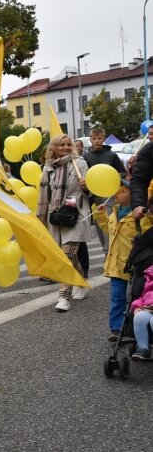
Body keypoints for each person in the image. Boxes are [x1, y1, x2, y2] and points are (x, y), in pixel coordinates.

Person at [36, 134, 90, 312]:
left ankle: (63, 297)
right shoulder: (48, 166)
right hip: (56, 216)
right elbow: (43, 195)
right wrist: (41, 219)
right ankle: (80, 282)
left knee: (67, 256)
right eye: (62, 145)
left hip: (76, 215)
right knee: (69, 256)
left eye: (69, 144)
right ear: (54, 148)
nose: (66, 147)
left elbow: (92, 191)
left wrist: (86, 186)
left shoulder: (79, 162)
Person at [101, 179, 153, 340]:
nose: (117, 193)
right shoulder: (114, 213)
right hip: (116, 265)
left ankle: (134, 327)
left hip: (136, 265)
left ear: (135, 195)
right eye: (116, 190)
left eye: (122, 191)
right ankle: (116, 329)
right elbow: (109, 232)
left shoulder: (142, 216)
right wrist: (101, 216)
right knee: (117, 297)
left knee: (137, 296)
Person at [83, 127, 125, 256]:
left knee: (109, 221)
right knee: (99, 224)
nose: (97, 141)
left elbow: (122, 172)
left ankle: (110, 252)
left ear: (104, 139)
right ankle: (105, 251)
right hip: (93, 196)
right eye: (94, 138)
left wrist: (117, 179)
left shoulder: (111, 155)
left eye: (99, 138)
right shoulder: (86, 156)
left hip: (109, 195)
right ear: (90, 139)